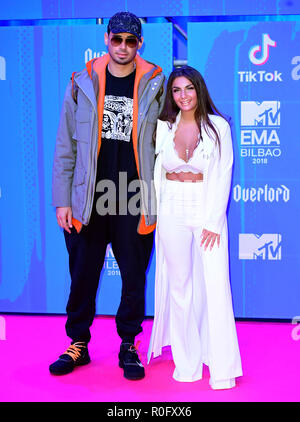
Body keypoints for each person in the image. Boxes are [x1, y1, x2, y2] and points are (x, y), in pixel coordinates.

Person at [50, 11, 165, 380]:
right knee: (82, 273)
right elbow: (65, 145)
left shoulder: (155, 82)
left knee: (134, 276)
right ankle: (78, 343)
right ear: (106, 39)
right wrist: (62, 200)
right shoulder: (81, 82)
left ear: (139, 44)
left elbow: (168, 138)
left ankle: (129, 343)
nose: (123, 47)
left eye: (131, 41)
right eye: (117, 39)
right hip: (89, 196)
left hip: (134, 195)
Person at [147, 66, 243, 390]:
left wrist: (214, 221)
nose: (183, 95)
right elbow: (155, 174)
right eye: (176, 90)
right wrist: (152, 212)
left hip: (205, 208)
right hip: (171, 208)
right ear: (170, 95)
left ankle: (221, 365)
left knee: (215, 286)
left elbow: (224, 173)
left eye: (189, 88)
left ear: (199, 89)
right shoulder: (163, 127)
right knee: (180, 286)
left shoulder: (218, 126)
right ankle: (186, 363)